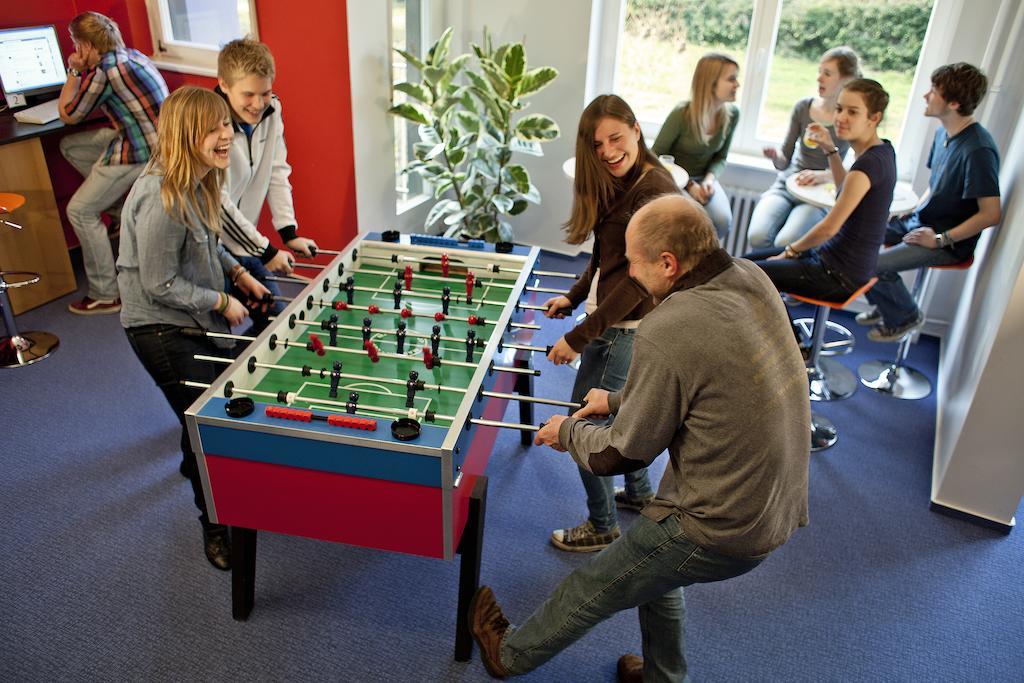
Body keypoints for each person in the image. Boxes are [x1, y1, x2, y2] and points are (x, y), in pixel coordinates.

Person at [469, 194, 810, 682]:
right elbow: (703, 379)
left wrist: (567, 430)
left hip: (723, 525)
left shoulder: (667, 325)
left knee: (599, 581)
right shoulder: (749, 277)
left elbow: (618, 456)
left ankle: (511, 655)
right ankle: (663, 678)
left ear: (668, 263)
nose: (629, 273)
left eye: (633, 262)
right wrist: (614, 400)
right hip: (779, 500)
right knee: (660, 574)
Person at [116, 86, 270, 570]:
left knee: (205, 414)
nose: (227, 135)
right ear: (187, 136)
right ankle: (215, 526)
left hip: (191, 315)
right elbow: (160, 283)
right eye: (213, 128)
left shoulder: (201, 179)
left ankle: (194, 459)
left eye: (226, 124)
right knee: (210, 424)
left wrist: (240, 273)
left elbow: (205, 242)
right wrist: (222, 300)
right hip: (158, 329)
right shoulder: (162, 198)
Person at [542, 95, 679, 553]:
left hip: (629, 329)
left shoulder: (654, 192)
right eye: (597, 144)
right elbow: (607, 259)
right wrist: (574, 296)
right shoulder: (625, 181)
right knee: (622, 415)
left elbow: (637, 286)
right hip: (624, 326)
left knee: (584, 426)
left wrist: (580, 337)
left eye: (615, 138)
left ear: (637, 130)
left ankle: (601, 525)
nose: (606, 151)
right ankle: (640, 494)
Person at [858, 63, 1001, 341]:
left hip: (948, 241)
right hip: (921, 221)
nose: (926, 96)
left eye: (934, 91)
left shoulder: (978, 150)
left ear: (955, 103)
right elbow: (936, 186)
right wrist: (906, 212)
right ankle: (888, 303)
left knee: (871, 264)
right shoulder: (942, 134)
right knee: (858, 237)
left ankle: (905, 315)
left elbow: (991, 214)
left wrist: (939, 239)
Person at [745, 79, 896, 304]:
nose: (841, 117)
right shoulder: (883, 150)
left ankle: (788, 337)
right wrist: (829, 149)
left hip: (838, 274)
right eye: (839, 108)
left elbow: (828, 228)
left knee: (746, 275)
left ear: (874, 118)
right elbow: (844, 189)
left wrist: (789, 252)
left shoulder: (867, 165)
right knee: (744, 263)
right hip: (835, 261)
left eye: (852, 112)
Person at [58, 11, 169, 315]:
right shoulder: (132, 55)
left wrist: (74, 71)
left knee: (79, 211)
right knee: (72, 146)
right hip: (154, 140)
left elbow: (68, 114)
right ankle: (119, 212)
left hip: (142, 150)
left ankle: (105, 294)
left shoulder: (104, 71)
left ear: (85, 47)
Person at [214, 38, 319, 332]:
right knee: (217, 341)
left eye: (265, 92)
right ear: (224, 84)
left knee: (276, 322)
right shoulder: (209, 126)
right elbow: (218, 204)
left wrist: (288, 231)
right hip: (210, 248)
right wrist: (267, 252)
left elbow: (276, 169)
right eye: (248, 94)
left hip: (246, 241)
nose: (258, 104)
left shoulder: (272, 111)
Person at [748, 47, 860, 249]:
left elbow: (861, 170)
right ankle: (762, 279)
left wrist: (825, 175)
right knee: (757, 236)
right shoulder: (803, 108)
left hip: (819, 196)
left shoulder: (846, 120)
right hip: (787, 185)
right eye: (819, 72)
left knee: (785, 242)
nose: (819, 78)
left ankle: (774, 278)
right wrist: (775, 157)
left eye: (827, 73)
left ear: (846, 80)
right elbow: (783, 163)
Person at [652, 53, 740, 240]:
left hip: (704, 179)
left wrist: (708, 181)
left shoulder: (732, 115)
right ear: (711, 82)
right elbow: (655, 156)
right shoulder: (681, 114)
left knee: (722, 221)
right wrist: (690, 185)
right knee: (690, 226)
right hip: (674, 178)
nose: (737, 84)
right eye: (731, 79)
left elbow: (720, 158)